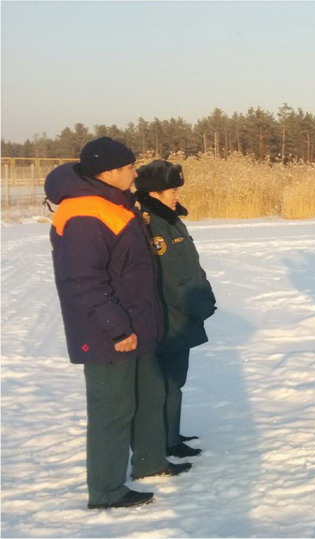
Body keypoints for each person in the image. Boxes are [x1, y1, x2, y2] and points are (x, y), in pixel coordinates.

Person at [45, 137, 191, 511]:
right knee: (112, 411)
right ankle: (106, 489)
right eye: (129, 167)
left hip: (137, 324)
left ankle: (150, 461)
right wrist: (117, 327)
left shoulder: (116, 202)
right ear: (109, 172)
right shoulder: (83, 214)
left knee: (149, 394)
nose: (135, 172)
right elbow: (82, 280)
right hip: (109, 332)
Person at [134, 160, 217, 459]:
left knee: (175, 380)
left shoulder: (170, 218)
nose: (176, 195)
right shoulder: (150, 223)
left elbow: (190, 264)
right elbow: (168, 277)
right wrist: (196, 303)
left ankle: (171, 433)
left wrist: (205, 293)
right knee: (164, 382)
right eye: (171, 189)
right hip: (168, 317)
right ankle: (162, 440)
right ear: (153, 192)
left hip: (184, 315)